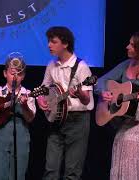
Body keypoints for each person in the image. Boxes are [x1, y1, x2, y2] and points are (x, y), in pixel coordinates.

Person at [94, 31, 139, 180]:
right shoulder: (126, 65)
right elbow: (101, 81)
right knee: (121, 142)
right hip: (123, 124)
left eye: (132, 45)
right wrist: (104, 92)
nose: (127, 47)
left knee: (128, 142)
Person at [36, 26, 94, 179]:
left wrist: (79, 92)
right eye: (49, 41)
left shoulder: (81, 67)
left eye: (53, 42)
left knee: (72, 171)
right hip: (56, 120)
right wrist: (41, 99)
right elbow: (44, 88)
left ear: (65, 44)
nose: (49, 45)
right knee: (50, 169)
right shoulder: (51, 65)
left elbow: (87, 99)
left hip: (77, 120)